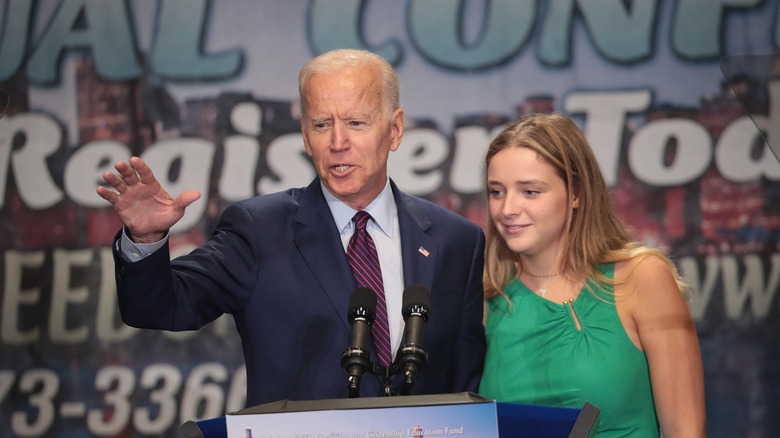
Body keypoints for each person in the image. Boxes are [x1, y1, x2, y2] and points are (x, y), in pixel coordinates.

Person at [97, 49, 486, 407]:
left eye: (355, 122)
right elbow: (162, 308)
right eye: (321, 124)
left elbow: (465, 378)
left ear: (395, 130)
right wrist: (146, 240)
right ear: (304, 134)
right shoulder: (259, 230)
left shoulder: (456, 240)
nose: (338, 142)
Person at [478, 114, 705, 437]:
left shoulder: (642, 277)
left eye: (530, 192)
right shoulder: (487, 301)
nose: (507, 209)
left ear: (576, 193)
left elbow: (687, 431)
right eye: (497, 192)